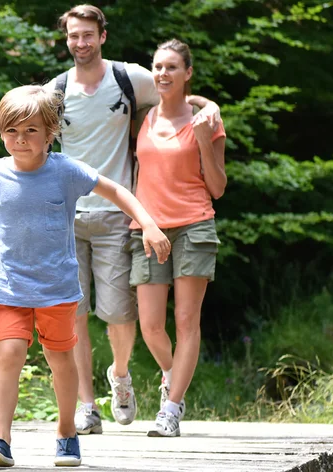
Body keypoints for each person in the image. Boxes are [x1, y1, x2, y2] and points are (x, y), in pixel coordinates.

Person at [0, 85, 170, 468]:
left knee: (60, 359)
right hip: (10, 286)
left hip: (57, 288)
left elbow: (115, 191)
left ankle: (66, 432)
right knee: (9, 354)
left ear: (50, 133)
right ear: (0, 132)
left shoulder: (65, 170)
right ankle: (1, 440)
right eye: (12, 131)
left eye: (30, 130)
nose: (20, 139)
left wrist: (148, 224)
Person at [47, 4, 221, 433]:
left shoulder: (129, 78)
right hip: (70, 216)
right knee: (76, 314)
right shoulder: (53, 90)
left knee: (122, 317)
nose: (80, 42)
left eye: (88, 34)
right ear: (66, 39)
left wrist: (208, 104)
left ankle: (127, 379)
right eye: (74, 35)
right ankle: (88, 406)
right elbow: (23, 131)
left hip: (121, 215)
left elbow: (173, 91)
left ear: (102, 36)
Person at [127, 39, 226, 437]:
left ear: (187, 73)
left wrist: (203, 134)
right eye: (158, 67)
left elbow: (218, 187)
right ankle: (173, 375)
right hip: (147, 227)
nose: (163, 73)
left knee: (187, 321)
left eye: (172, 67)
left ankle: (170, 409)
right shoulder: (143, 118)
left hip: (194, 225)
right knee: (150, 325)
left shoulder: (208, 122)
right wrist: (207, 101)